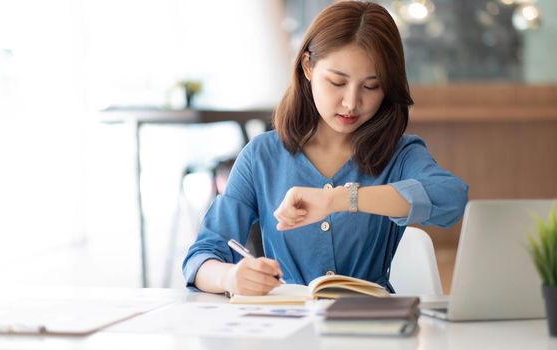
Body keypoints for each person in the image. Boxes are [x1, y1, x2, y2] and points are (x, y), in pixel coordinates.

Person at [182, 1, 468, 296]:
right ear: (308, 66)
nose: (351, 102)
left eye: (371, 86)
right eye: (337, 82)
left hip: (372, 328)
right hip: (287, 326)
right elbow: (201, 257)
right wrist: (230, 277)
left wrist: (339, 199)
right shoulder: (261, 156)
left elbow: (450, 198)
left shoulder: (400, 154)